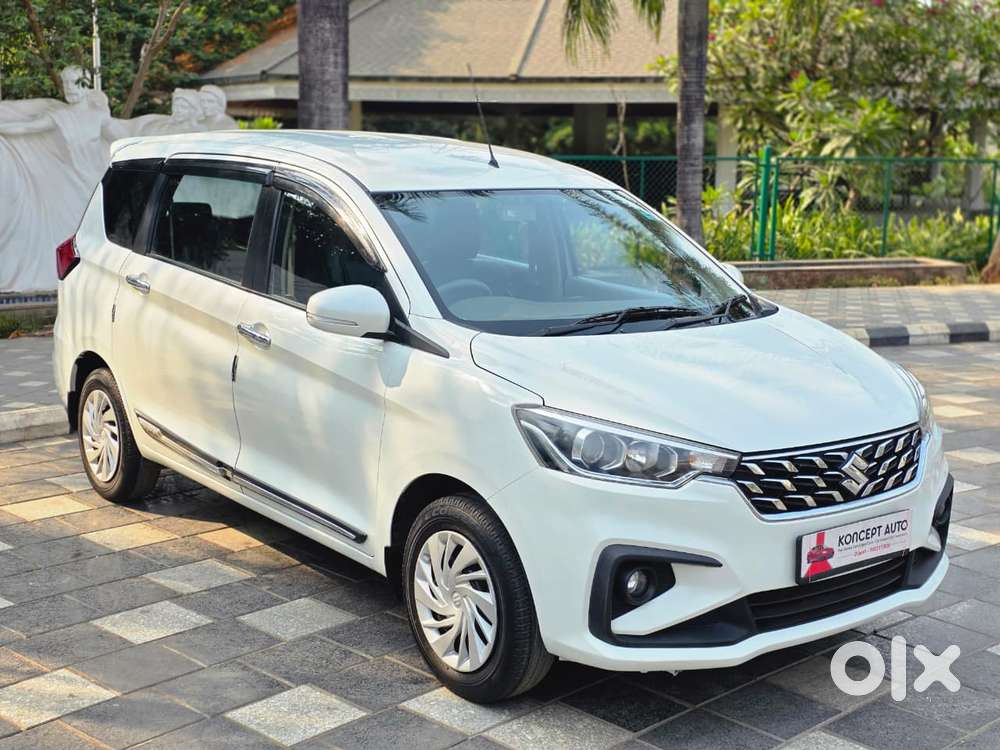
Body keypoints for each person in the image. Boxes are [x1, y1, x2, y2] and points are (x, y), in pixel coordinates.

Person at [0, 66, 127, 291]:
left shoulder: (98, 116)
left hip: (97, 183)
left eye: (74, 83)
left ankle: (103, 282)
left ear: (85, 85)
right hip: (70, 187)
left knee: (103, 235)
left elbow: (122, 139)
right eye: (65, 83)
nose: (69, 88)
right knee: (74, 235)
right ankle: (76, 281)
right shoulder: (60, 116)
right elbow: (25, 128)